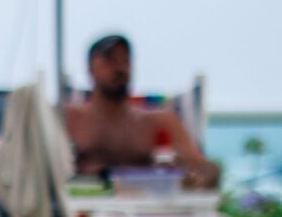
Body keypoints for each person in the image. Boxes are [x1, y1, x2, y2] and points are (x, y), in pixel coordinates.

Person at [64, 34, 219, 189]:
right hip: (85, 201)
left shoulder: (158, 122)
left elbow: (204, 169)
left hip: (147, 202)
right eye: (110, 60)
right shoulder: (70, 119)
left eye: (125, 60)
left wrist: (189, 172)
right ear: (90, 69)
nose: (120, 68)